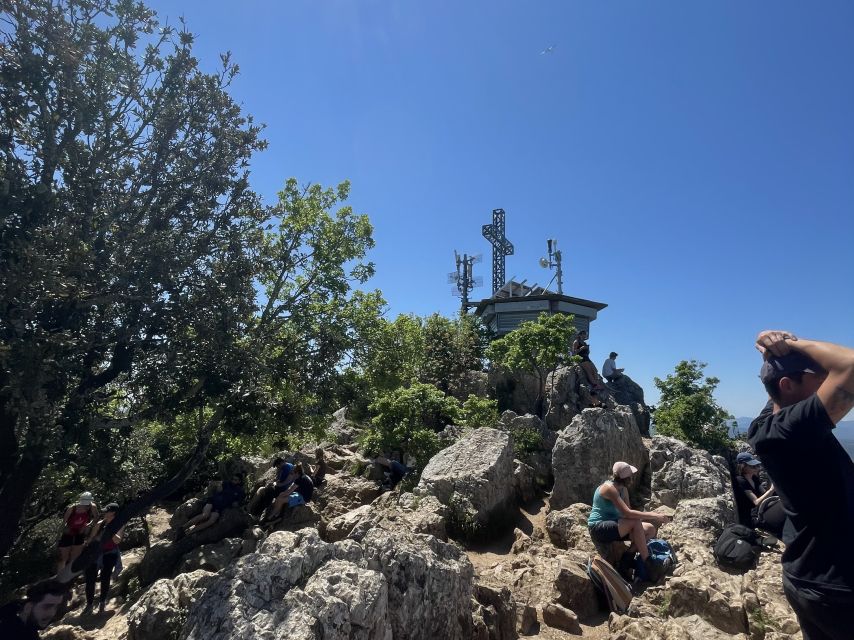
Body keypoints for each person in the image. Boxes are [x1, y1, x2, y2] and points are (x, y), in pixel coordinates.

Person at [747, 330, 854, 640]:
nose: (825, 382)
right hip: (836, 585)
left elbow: (774, 393)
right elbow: (850, 365)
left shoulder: (766, 426)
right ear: (788, 385)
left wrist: (772, 350)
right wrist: (794, 345)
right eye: (817, 377)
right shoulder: (791, 431)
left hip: (806, 576)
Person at [587, 461, 671, 575]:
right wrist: (654, 515)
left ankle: (625, 562)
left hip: (615, 526)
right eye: (631, 476)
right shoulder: (609, 489)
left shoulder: (623, 490)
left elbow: (628, 514)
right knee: (636, 523)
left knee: (650, 529)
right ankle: (649, 563)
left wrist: (643, 523)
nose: (632, 478)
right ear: (626, 478)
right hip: (598, 527)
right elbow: (628, 514)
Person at [83, 503, 124, 614]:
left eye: (107, 511)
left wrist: (110, 530)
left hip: (110, 553)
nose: (105, 513)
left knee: (105, 578)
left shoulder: (119, 525)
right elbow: (91, 539)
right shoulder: (100, 524)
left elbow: (117, 541)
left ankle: (102, 603)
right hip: (95, 553)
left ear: (113, 513)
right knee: (90, 579)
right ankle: (89, 605)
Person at [0, 579, 67, 639]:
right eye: (47, 606)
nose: (52, 613)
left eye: (56, 607)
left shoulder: (10, 610)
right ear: (28, 607)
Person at [733, 452, 776, 528]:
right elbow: (756, 502)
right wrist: (771, 489)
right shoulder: (740, 480)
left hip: (761, 511)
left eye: (757, 465)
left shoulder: (754, 478)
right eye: (753, 466)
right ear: (743, 466)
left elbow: (765, 494)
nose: (757, 468)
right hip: (752, 518)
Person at [58, 491, 99, 572]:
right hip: (68, 531)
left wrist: (89, 525)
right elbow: (64, 522)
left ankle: (70, 574)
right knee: (64, 557)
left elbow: (96, 517)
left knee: (75, 556)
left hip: (80, 532)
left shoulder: (92, 507)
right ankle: (60, 575)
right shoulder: (72, 508)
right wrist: (58, 537)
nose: (85, 505)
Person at [572, 330, 607, 396]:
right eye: (583, 334)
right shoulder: (576, 342)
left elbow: (587, 353)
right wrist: (581, 348)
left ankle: (597, 384)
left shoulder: (585, 343)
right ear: (579, 335)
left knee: (595, 370)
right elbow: (574, 353)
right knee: (588, 370)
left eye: (585, 334)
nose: (584, 335)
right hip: (580, 358)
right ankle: (595, 384)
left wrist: (587, 349)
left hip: (587, 358)